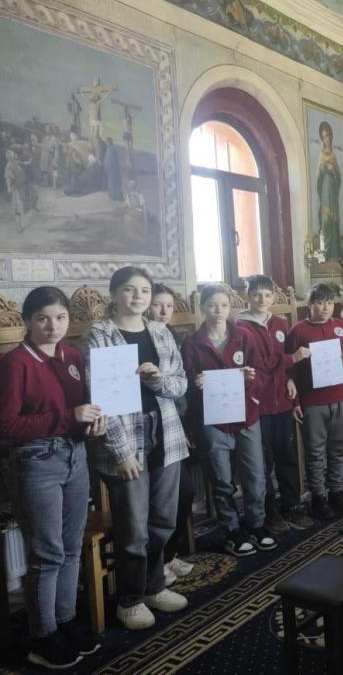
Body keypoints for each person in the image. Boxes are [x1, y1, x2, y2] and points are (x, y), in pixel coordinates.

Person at [0, 287, 106, 668]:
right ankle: (42, 635)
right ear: (28, 321)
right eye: (43, 318)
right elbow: (7, 425)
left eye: (60, 318)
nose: (52, 326)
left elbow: (84, 408)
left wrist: (93, 423)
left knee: (71, 546)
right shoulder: (15, 363)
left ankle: (65, 620)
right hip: (36, 461)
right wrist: (69, 417)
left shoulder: (72, 356)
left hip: (75, 455)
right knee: (47, 553)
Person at [82, 266, 190, 630]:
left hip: (165, 433)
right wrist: (122, 452)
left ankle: (154, 586)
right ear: (114, 294)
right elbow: (100, 399)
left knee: (163, 520)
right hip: (126, 439)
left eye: (144, 290)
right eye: (129, 289)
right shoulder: (99, 335)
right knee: (133, 529)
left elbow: (179, 385)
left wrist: (157, 379)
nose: (138, 296)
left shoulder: (159, 331)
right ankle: (129, 600)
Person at [183, 283, 277, 556]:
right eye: (212, 305)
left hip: (246, 415)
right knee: (222, 479)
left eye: (224, 305)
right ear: (203, 307)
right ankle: (232, 531)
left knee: (255, 474)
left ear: (230, 307)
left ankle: (257, 524)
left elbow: (261, 372)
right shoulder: (192, 343)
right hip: (213, 420)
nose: (218, 310)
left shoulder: (243, 336)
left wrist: (250, 378)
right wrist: (196, 383)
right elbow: (186, 382)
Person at [236, 276, 312, 532]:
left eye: (267, 295)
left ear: (274, 297)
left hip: (282, 401)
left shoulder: (280, 323)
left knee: (286, 455)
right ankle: (270, 510)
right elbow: (258, 365)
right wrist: (290, 359)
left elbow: (285, 363)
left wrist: (289, 378)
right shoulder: (240, 328)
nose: (262, 299)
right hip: (258, 405)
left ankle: (291, 505)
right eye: (256, 294)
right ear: (247, 296)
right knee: (264, 461)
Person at [286, 282, 343, 519]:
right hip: (313, 401)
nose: (326, 308)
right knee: (315, 452)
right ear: (310, 305)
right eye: (320, 303)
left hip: (341, 396)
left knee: (338, 448)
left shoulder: (341, 326)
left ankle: (336, 491)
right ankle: (318, 497)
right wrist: (295, 402)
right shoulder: (298, 331)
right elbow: (289, 371)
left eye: (329, 303)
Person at [147, 284, 197, 585]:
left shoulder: (171, 335)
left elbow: (181, 384)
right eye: (157, 305)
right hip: (152, 429)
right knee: (159, 502)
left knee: (186, 491)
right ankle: (156, 564)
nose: (164, 311)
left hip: (177, 427)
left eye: (169, 305)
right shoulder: (143, 340)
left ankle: (169, 554)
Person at [316, 121, 341, 260]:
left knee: (334, 222)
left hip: (333, 193)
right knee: (325, 221)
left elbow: (339, 178)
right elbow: (318, 176)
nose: (327, 139)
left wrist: (333, 171)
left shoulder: (334, 155)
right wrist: (325, 168)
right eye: (324, 136)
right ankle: (324, 253)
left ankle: (334, 254)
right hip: (325, 191)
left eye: (328, 135)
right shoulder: (321, 154)